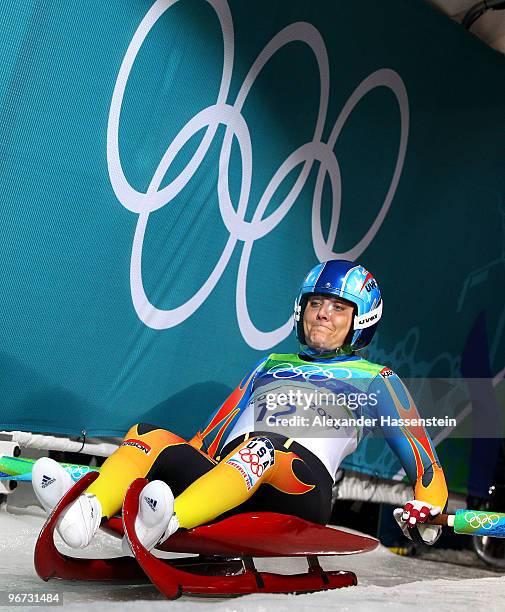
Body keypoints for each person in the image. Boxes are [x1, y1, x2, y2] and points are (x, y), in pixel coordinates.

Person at [33, 260, 447, 551]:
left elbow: (426, 465)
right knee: (146, 436)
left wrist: (428, 506)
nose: (322, 314)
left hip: (300, 488)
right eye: (315, 304)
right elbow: (209, 439)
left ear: (361, 320)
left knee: (262, 447)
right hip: (232, 472)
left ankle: (169, 522)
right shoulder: (269, 364)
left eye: (338, 307)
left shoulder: (377, 381)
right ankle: (86, 509)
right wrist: (166, 457)